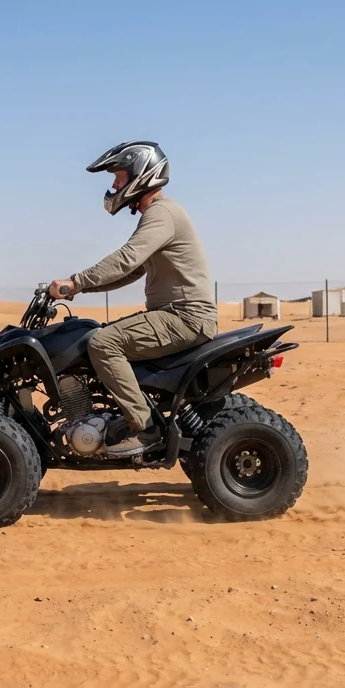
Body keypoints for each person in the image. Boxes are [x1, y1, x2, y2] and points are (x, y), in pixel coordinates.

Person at [49, 141, 218, 456]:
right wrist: (79, 288)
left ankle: (144, 429)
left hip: (184, 318)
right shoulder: (160, 214)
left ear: (142, 175)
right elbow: (131, 272)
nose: (114, 184)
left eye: (119, 177)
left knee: (103, 344)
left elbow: (126, 259)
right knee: (99, 336)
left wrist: (74, 282)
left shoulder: (162, 213)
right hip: (175, 316)